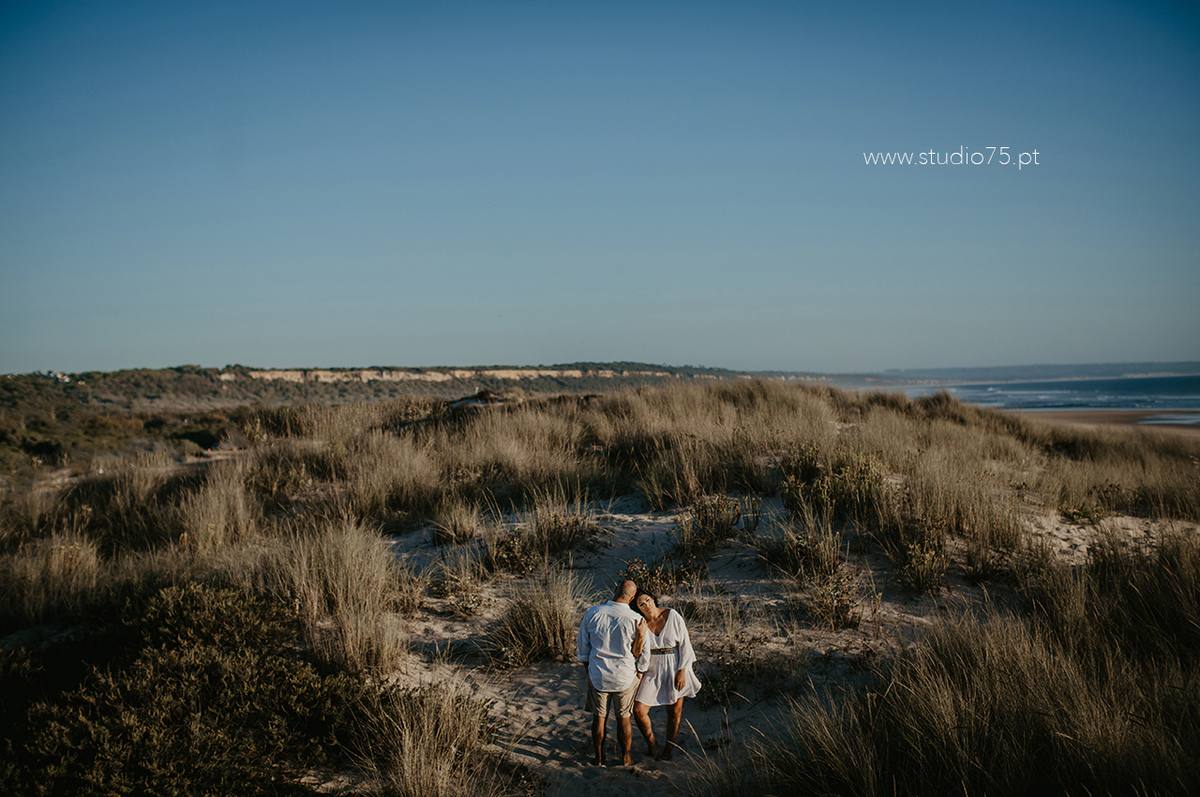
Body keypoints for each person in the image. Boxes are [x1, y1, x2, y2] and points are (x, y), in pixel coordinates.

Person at [576, 579, 647, 766]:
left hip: (598, 673)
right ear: (632, 598)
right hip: (624, 675)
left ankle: (599, 758)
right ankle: (626, 757)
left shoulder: (593, 612)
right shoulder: (636, 619)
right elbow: (642, 653)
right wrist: (639, 673)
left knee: (599, 718)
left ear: (615, 590)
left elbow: (583, 645)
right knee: (624, 718)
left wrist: (587, 666)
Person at [631, 590, 701, 760]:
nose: (646, 605)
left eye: (647, 600)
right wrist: (640, 634)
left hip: (674, 666)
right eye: (641, 604)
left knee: (674, 713)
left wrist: (682, 671)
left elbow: (685, 644)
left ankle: (667, 752)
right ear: (638, 608)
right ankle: (652, 744)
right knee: (638, 710)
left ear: (653, 600)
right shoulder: (640, 623)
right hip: (652, 669)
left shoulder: (672, 615)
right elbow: (636, 652)